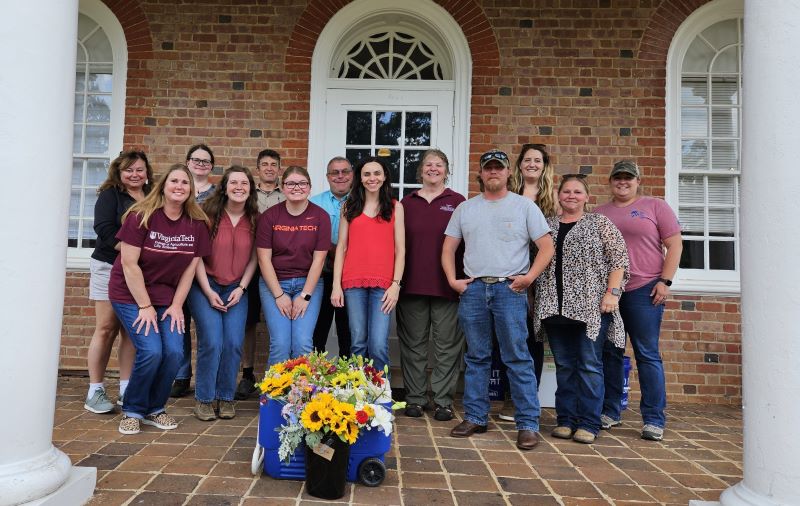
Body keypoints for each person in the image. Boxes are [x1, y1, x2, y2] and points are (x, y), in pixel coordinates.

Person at [443, 149, 553, 451]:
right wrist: (454, 280)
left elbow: (546, 247)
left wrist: (529, 277)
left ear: (508, 173)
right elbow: (448, 248)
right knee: (477, 357)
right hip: (475, 290)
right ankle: (477, 416)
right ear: (481, 173)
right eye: (488, 168)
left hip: (509, 290)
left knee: (516, 356)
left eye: (499, 168)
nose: (494, 172)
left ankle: (528, 423)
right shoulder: (466, 209)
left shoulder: (524, 207)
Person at [110, 164, 211, 435]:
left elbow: (190, 268)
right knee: (152, 350)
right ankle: (132, 410)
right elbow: (129, 264)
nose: (179, 186)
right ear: (163, 186)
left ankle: (155, 408)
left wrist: (177, 305)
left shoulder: (197, 224)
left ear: (191, 189)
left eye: (185, 183)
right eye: (174, 181)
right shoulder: (140, 216)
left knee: (175, 352)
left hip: (167, 296)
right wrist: (144, 306)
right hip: (131, 294)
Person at [535, 174, 629, 444]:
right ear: (558, 196)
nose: (571, 196)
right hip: (554, 307)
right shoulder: (548, 226)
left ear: (587, 197)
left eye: (577, 192)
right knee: (564, 366)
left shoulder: (599, 223)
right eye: (566, 191)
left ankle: (589, 422)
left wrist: (612, 294)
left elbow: (619, 260)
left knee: (589, 365)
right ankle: (566, 419)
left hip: (591, 308)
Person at [595, 160, 682, 441]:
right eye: (617, 177)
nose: (623, 182)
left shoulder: (655, 206)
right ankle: (610, 411)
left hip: (643, 290)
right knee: (609, 353)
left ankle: (654, 418)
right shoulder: (599, 213)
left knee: (647, 354)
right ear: (610, 182)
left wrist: (665, 281)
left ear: (637, 181)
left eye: (628, 178)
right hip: (608, 293)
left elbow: (675, 244)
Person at [397, 149, 465, 422]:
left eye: (438, 165)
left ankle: (442, 401)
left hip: (447, 286)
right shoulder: (406, 203)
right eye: (428, 165)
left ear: (446, 170)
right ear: (420, 170)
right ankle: (414, 398)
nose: (433, 169)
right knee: (413, 345)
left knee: (447, 346)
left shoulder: (459, 202)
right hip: (411, 284)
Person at [188, 166, 259, 421]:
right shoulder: (207, 213)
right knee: (212, 342)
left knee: (232, 343)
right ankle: (205, 399)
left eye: (244, 183)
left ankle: (226, 397)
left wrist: (242, 288)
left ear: (250, 189)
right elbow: (195, 255)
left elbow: (255, 259)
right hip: (204, 284)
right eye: (234, 182)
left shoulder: (255, 218)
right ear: (225, 187)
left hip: (236, 288)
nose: (239, 187)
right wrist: (207, 291)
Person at [84, 150, 153, 413]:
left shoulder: (152, 196)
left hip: (137, 270)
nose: (134, 174)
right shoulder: (110, 195)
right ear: (119, 172)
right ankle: (95, 390)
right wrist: (134, 250)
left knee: (131, 331)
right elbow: (104, 229)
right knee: (106, 327)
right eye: (129, 170)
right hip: (108, 265)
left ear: (147, 172)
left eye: (139, 169)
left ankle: (126, 389)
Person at [497, 143, 559, 421]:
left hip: (542, 271)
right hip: (512, 269)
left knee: (533, 335)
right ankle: (512, 398)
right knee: (511, 334)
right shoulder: (508, 195)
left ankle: (527, 397)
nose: (532, 164)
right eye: (527, 160)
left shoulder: (554, 199)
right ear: (519, 165)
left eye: (538, 160)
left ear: (544, 166)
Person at [331, 156, 405, 374]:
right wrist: (336, 285)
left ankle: (382, 397)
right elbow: (342, 248)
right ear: (360, 178)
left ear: (384, 177)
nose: (372, 178)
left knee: (379, 344)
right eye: (366, 174)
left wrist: (396, 285)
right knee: (358, 343)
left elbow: (400, 249)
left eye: (376, 173)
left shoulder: (395, 207)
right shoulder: (349, 206)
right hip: (353, 284)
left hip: (383, 285)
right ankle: (359, 395)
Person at [257, 166, 330, 365]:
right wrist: (279, 295)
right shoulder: (269, 217)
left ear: (309, 187)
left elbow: (319, 260)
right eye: (290, 183)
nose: (296, 187)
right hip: (274, 284)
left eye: (302, 183)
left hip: (309, 284)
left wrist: (305, 296)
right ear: (283, 187)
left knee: (302, 343)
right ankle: (275, 396)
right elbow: (263, 259)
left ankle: (303, 396)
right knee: (280, 343)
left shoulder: (320, 217)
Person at [235, 149, 286, 399]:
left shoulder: (287, 194)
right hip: (249, 265)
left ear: (279, 169)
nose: (269, 168)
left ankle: (285, 375)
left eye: (273, 165)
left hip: (281, 266)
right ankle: (247, 373)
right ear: (258, 169)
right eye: (264, 164)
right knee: (249, 321)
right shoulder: (247, 195)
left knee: (282, 322)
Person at [171, 144, 216, 397]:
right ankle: (180, 374)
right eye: (196, 159)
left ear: (211, 166)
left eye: (206, 161)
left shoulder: (217, 194)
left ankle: (205, 378)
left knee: (204, 325)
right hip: (176, 267)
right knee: (179, 322)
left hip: (204, 266)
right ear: (187, 162)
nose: (200, 164)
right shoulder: (177, 190)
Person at [310, 156, 353, 356]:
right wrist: (333, 249)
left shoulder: (360, 202)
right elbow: (309, 236)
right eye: (335, 172)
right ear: (327, 176)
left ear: (352, 175)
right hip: (322, 271)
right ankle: (317, 376)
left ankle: (349, 378)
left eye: (345, 171)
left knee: (349, 329)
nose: (340, 176)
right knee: (319, 327)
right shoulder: (314, 203)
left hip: (352, 274)